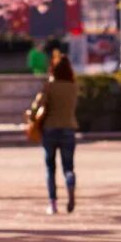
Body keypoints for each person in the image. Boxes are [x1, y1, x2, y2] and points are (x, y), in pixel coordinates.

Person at [28, 53, 78, 215]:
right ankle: (70, 183)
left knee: (50, 167)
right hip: (68, 129)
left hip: (49, 129)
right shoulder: (73, 87)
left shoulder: (49, 86)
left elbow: (37, 106)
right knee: (68, 166)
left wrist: (31, 116)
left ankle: (53, 203)